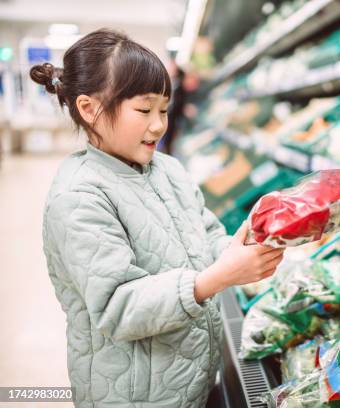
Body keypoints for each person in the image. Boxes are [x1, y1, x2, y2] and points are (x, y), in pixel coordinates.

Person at [31, 28, 284, 407]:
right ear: (89, 109)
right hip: (135, 395)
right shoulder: (79, 197)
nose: (158, 124)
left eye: (164, 110)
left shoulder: (167, 169)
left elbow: (205, 230)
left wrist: (240, 248)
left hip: (188, 380)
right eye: (144, 110)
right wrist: (216, 278)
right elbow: (118, 307)